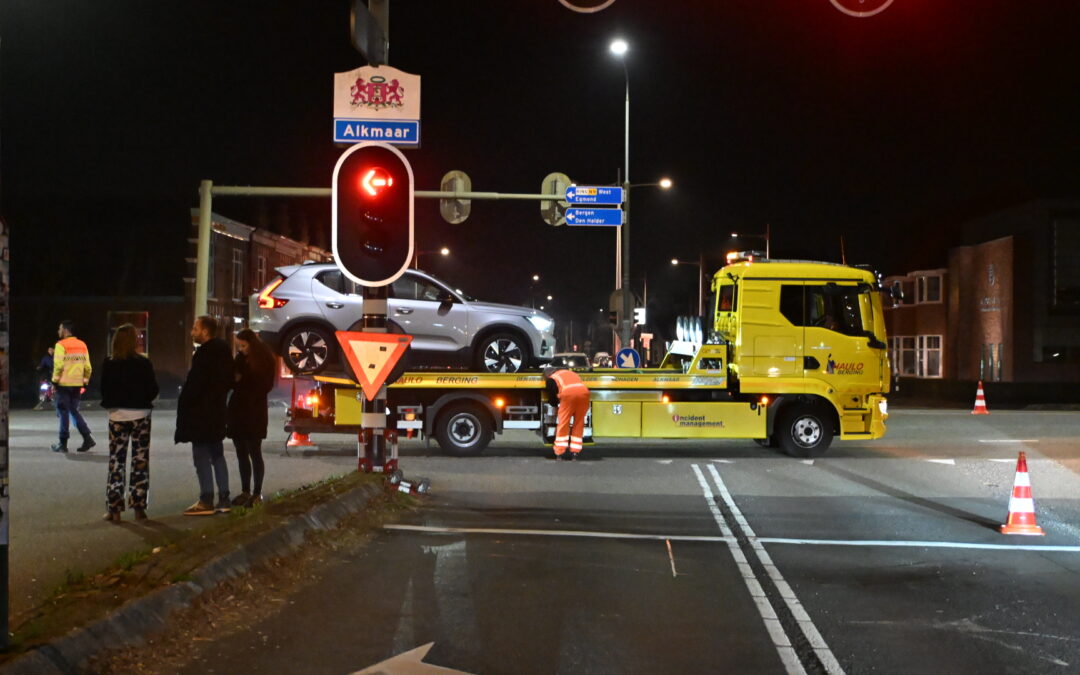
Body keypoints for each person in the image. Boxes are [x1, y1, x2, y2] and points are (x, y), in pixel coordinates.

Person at [99, 324, 160, 522]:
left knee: (116, 461)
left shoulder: (109, 363)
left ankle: (114, 509)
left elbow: (103, 389)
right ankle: (139, 507)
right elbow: (153, 388)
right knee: (140, 460)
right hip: (140, 414)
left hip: (117, 415)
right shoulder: (143, 363)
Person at [175, 315, 234, 516]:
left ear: (205, 331)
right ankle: (224, 498)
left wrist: (186, 402)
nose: (192, 332)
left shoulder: (203, 355)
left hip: (201, 414)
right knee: (217, 454)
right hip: (217, 411)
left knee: (200, 455)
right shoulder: (225, 352)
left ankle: (206, 499)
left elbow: (196, 386)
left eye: (195, 328)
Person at [227, 328, 275, 507]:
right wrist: (240, 380)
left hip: (254, 411)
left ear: (252, 345)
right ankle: (245, 490)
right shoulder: (240, 358)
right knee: (241, 453)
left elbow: (261, 386)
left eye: (243, 345)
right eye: (239, 345)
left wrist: (242, 380)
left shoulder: (264, 360)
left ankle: (257, 492)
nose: (240, 349)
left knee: (254, 451)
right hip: (238, 410)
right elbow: (233, 379)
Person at [51, 320, 95, 453]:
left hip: (64, 384)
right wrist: (85, 382)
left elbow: (58, 366)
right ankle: (87, 438)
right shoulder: (82, 345)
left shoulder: (60, 345)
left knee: (64, 412)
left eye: (59, 329)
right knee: (74, 411)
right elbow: (88, 367)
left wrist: (54, 382)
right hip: (77, 384)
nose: (58, 331)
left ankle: (62, 443)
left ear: (65, 330)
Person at [542, 364, 591, 460]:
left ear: (548, 374)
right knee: (579, 423)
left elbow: (552, 395)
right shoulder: (571, 373)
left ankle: (559, 452)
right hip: (584, 394)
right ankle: (575, 452)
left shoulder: (552, 378)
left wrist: (554, 404)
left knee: (564, 423)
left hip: (568, 396)